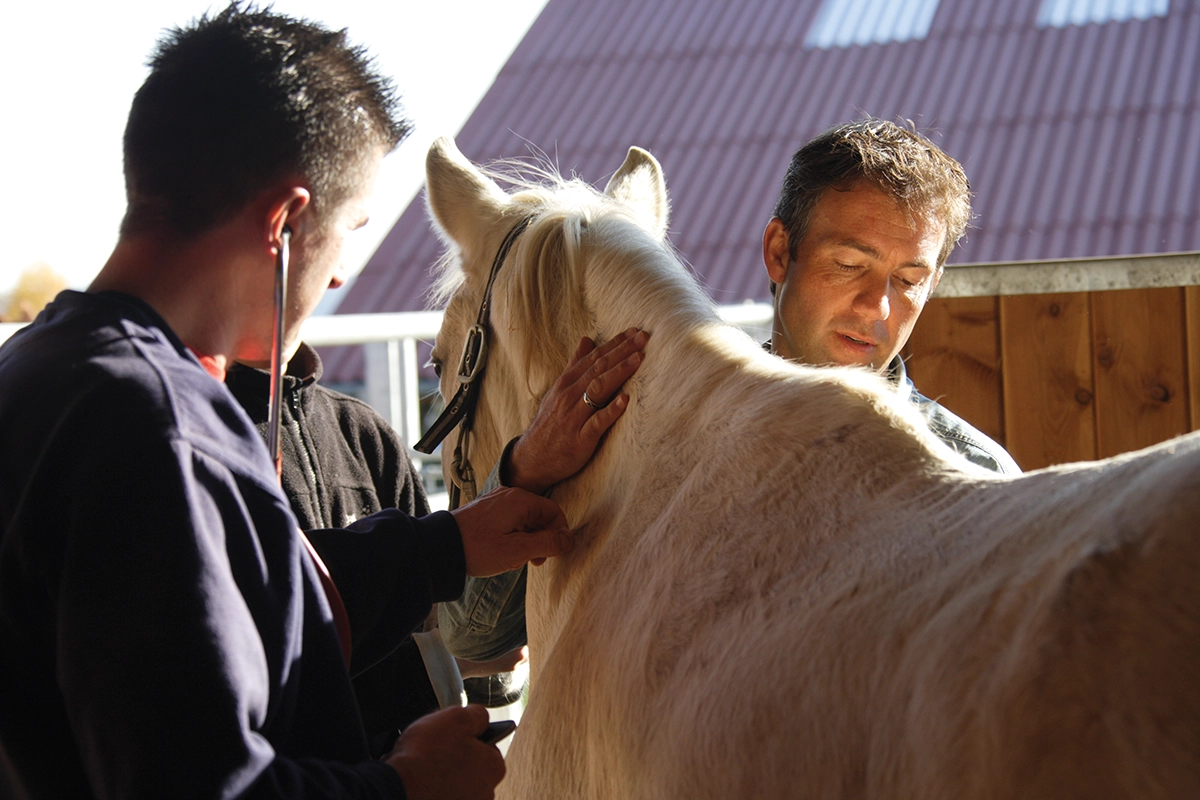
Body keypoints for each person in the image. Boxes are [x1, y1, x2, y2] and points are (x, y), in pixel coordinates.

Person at [0, 6, 641, 798]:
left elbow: (223, 605)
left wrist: (443, 548)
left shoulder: (41, 373)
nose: (339, 277)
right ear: (286, 220)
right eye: (348, 231)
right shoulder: (159, 431)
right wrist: (405, 784)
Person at [226, 342, 529, 751]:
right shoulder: (198, 451)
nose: (337, 276)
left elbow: (430, 619)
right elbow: (240, 687)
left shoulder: (361, 431)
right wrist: (445, 668)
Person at [762, 118, 1020, 474]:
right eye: (850, 264)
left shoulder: (974, 475)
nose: (877, 307)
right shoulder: (678, 427)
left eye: (908, 280)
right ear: (779, 252)